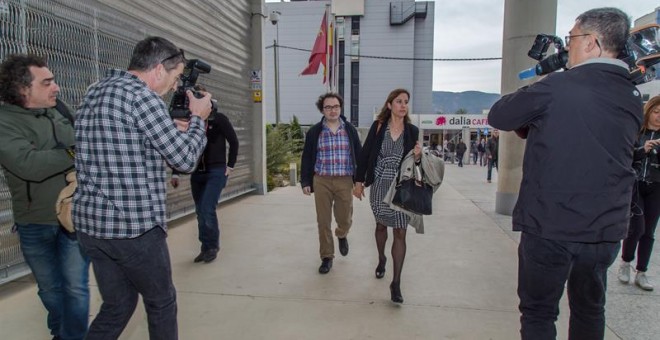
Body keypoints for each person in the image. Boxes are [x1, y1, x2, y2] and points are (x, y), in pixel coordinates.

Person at [488, 8, 643, 339]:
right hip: (604, 230)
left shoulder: (558, 86)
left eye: (572, 38)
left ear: (591, 42)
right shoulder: (632, 95)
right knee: (590, 309)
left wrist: (545, 78)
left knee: (539, 312)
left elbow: (501, 115)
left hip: (551, 225)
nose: (566, 48)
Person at [73, 36, 212, 339]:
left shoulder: (95, 91)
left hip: (92, 226)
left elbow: (119, 145)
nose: (176, 85)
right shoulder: (142, 97)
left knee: (117, 305)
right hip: (133, 227)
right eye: (176, 76)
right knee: (161, 303)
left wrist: (172, 129)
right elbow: (185, 159)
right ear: (159, 69)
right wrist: (199, 119)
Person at [0, 54, 90, 340]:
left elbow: (85, 141)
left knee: (75, 288)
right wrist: (71, 153)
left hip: (73, 218)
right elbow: (29, 165)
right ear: (24, 89)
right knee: (50, 289)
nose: (57, 88)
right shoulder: (5, 122)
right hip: (35, 222)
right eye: (48, 82)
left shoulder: (59, 111)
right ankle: (61, 331)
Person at [354, 88, 421, 304]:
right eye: (399, 101)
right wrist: (358, 181)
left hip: (402, 186)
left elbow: (415, 162)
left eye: (406, 102)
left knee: (400, 232)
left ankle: (396, 283)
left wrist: (418, 156)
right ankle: (382, 258)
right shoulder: (378, 127)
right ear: (390, 104)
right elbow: (365, 154)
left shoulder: (412, 130)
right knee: (381, 225)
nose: (403, 105)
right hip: (380, 183)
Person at [171, 85, 239, 264]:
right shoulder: (189, 122)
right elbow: (178, 148)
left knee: (207, 208)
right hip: (197, 173)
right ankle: (205, 246)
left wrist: (230, 166)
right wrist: (176, 173)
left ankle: (212, 247)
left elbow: (234, 141)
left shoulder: (219, 119)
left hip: (216, 172)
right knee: (200, 211)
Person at [300, 92, 361, 274]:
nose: (332, 110)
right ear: (322, 110)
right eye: (328, 107)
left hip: (344, 179)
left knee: (345, 217)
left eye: (335, 106)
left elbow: (358, 155)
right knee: (323, 221)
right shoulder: (315, 132)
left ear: (340, 108)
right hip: (322, 180)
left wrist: (359, 180)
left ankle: (342, 234)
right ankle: (327, 256)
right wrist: (305, 181)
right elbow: (307, 157)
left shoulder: (349, 130)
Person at [618, 95, 660, 291]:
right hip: (635, 186)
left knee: (649, 231)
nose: (658, 117)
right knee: (637, 227)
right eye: (656, 112)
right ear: (649, 111)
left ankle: (641, 271)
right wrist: (643, 149)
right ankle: (625, 263)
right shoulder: (636, 133)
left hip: (656, 187)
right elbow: (625, 156)